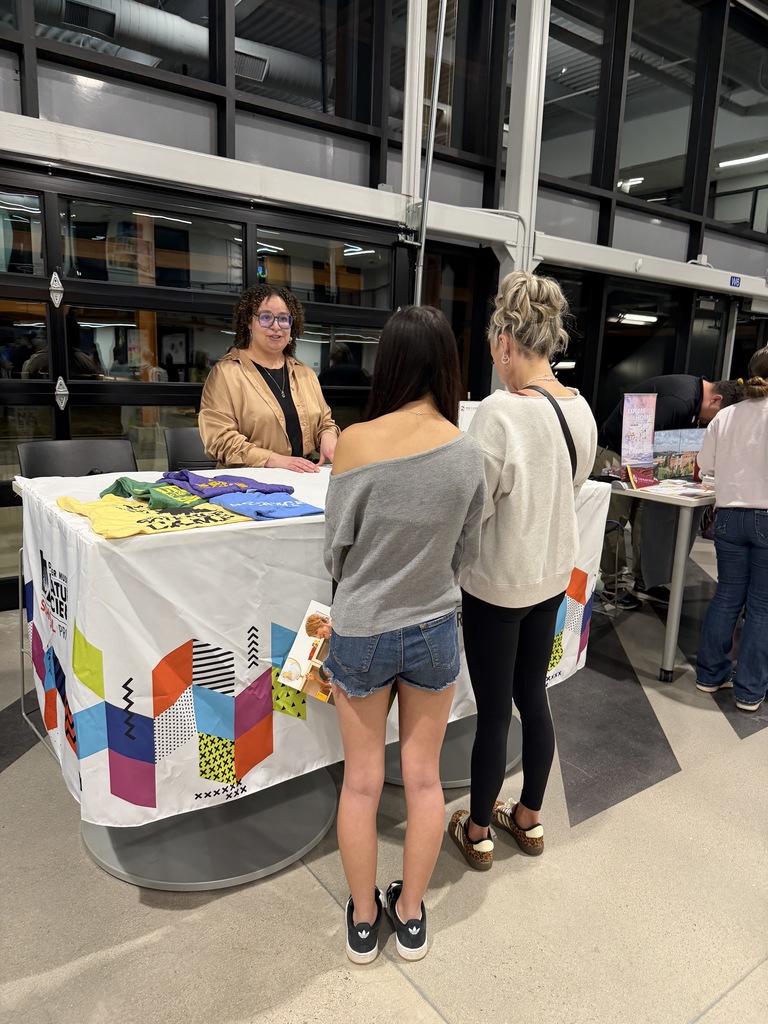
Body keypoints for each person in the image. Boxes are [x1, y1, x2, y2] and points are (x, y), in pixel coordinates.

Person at [323, 305, 486, 965]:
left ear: (388, 362)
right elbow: (465, 552)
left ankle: (364, 921)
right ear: (446, 364)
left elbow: (336, 550)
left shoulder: (357, 441)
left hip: (361, 630)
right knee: (423, 780)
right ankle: (411, 915)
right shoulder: (466, 448)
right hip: (434, 627)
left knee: (361, 783)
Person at [448, 270, 596, 871]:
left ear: (505, 339)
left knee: (491, 712)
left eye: (493, 347)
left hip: (496, 584)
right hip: (550, 580)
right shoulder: (579, 407)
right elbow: (575, 483)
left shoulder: (498, 412)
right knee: (533, 695)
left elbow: (472, 507)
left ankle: (479, 829)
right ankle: (529, 818)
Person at [594, 374, 744, 608]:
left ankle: (646, 581)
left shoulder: (692, 397)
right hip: (616, 456)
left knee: (646, 522)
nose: (708, 424)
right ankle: (615, 585)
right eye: (715, 418)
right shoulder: (678, 399)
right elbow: (639, 441)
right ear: (715, 400)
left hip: (645, 461)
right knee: (614, 522)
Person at [199, 285, 339, 471]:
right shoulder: (226, 373)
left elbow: (325, 422)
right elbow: (219, 439)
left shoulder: (305, 374)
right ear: (249, 322)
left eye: (283, 319)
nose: (276, 327)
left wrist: (328, 436)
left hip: (303, 475)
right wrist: (275, 460)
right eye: (266, 318)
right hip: (250, 482)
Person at [694, 373, 768, 712]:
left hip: (728, 516)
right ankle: (750, 691)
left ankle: (710, 675)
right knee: (761, 606)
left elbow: (704, 465)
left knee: (727, 594)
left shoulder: (726, 414)